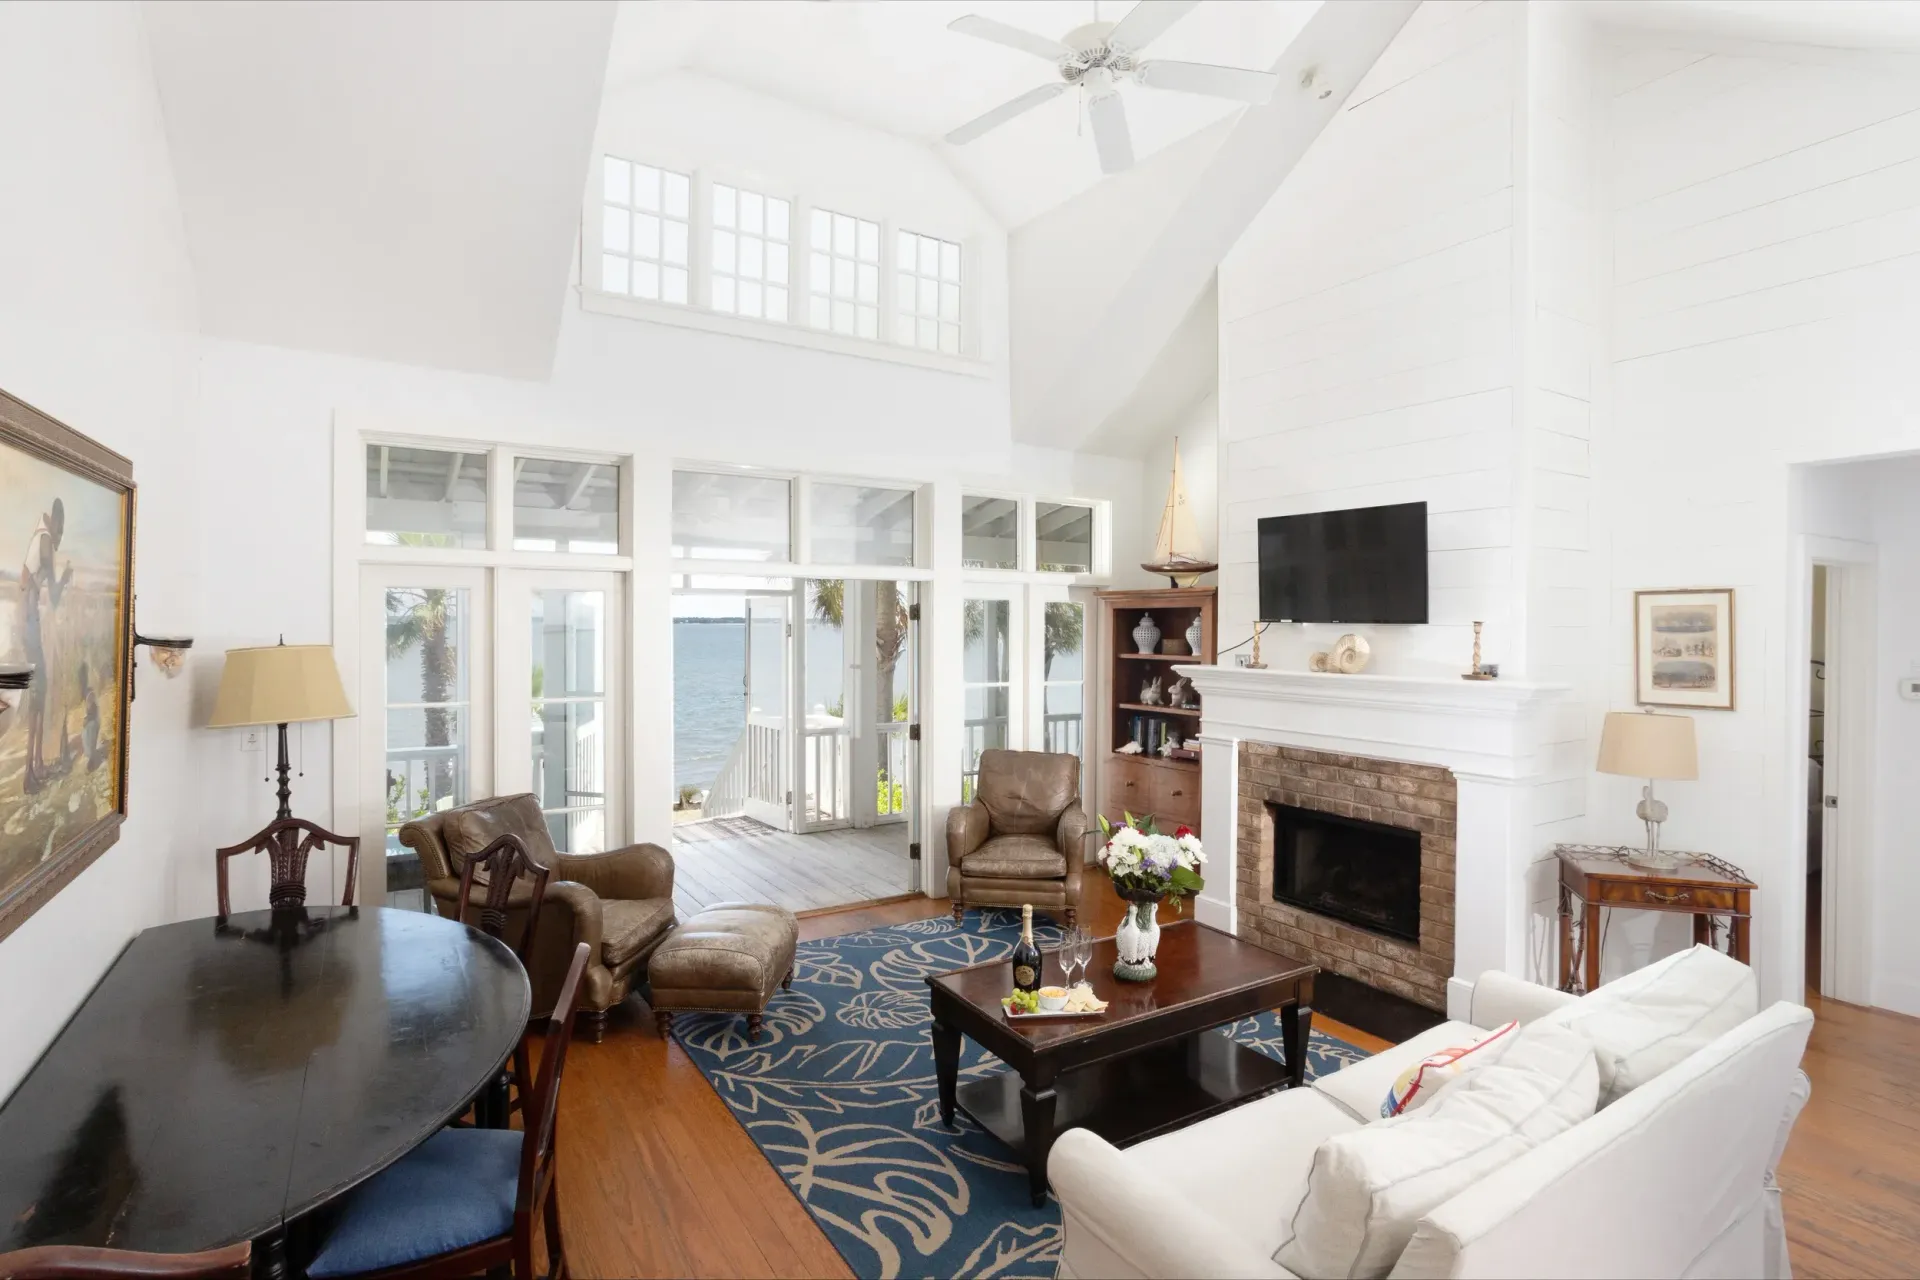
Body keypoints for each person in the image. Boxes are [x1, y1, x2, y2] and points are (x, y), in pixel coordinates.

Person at [19, 497, 74, 793]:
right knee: (38, 691)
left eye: (62, 531)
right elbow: (52, 596)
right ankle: (30, 772)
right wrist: (64, 577)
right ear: (54, 522)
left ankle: (37, 764)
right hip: (28, 622)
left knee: (41, 688)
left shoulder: (43, 539)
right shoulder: (44, 541)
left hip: (31, 622)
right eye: (60, 528)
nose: (60, 536)